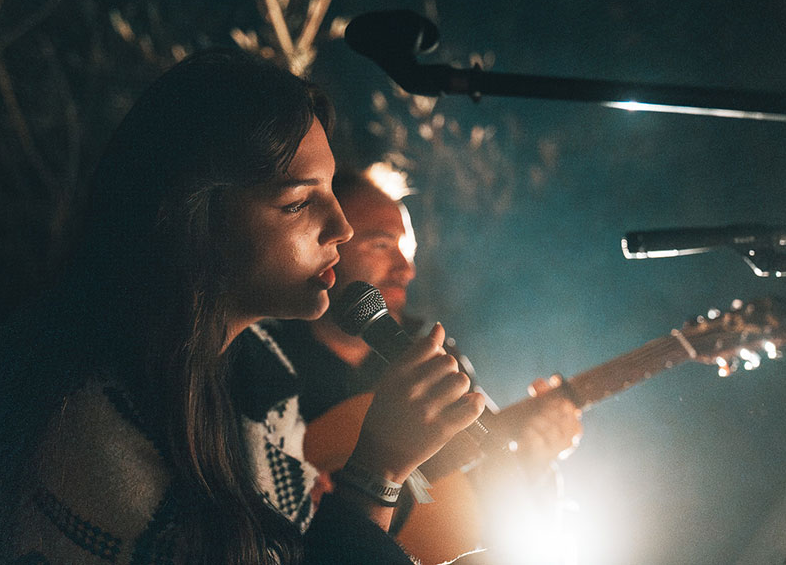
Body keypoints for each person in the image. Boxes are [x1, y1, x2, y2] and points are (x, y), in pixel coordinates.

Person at [0, 49, 486, 565]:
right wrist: (377, 472)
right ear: (193, 219)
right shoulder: (85, 428)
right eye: (298, 202)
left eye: (331, 194)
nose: (340, 228)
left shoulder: (261, 369)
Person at [245, 164, 583, 564]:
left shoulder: (430, 353)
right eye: (382, 245)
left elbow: (502, 515)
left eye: (409, 252)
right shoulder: (262, 360)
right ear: (327, 245)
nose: (406, 270)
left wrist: (535, 465)